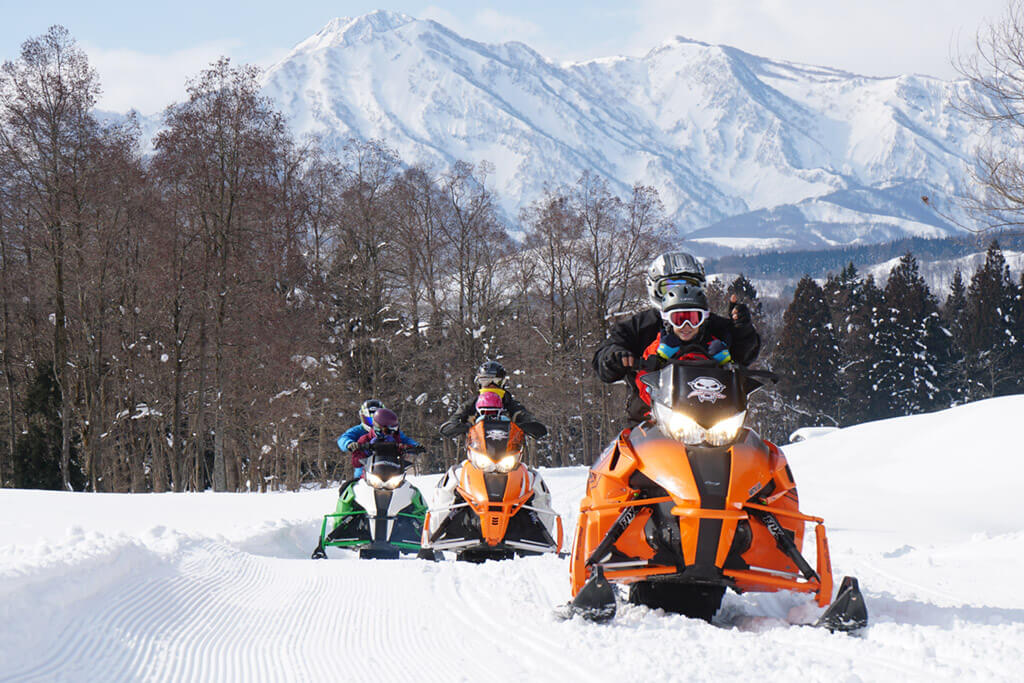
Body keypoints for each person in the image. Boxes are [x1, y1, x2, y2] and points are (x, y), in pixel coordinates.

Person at [592, 251, 760, 425]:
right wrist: (615, 357)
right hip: (648, 421)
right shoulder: (640, 326)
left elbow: (744, 356)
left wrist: (742, 330)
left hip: (714, 420)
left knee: (754, 449)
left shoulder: (711, 324)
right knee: (627, 449)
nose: (681, 292)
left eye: (690, 286)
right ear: (655, 288)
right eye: (670, 287)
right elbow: (605, 357)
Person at [438, 361, 547, 438]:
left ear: (503, 383)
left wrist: (527, 425)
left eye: (495, 381)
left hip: (508, 450)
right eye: (485, 381)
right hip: (478, 450)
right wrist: (461, 427)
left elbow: (526, 416)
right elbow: (454, 419)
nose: (491, 385)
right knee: (458, 470)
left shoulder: (511, 404)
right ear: (479, 383)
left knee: (525, 471)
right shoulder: (470, 405)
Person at [338, 399, 420, 477]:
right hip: (364, 472)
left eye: (378, 421)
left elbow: (405, 439)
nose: (374, 425)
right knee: (349, 488)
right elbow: (343, 438)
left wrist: (415, 446)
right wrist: (349, 444)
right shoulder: (358, 431)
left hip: (390, 469)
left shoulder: (390, 433)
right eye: (370, 421)